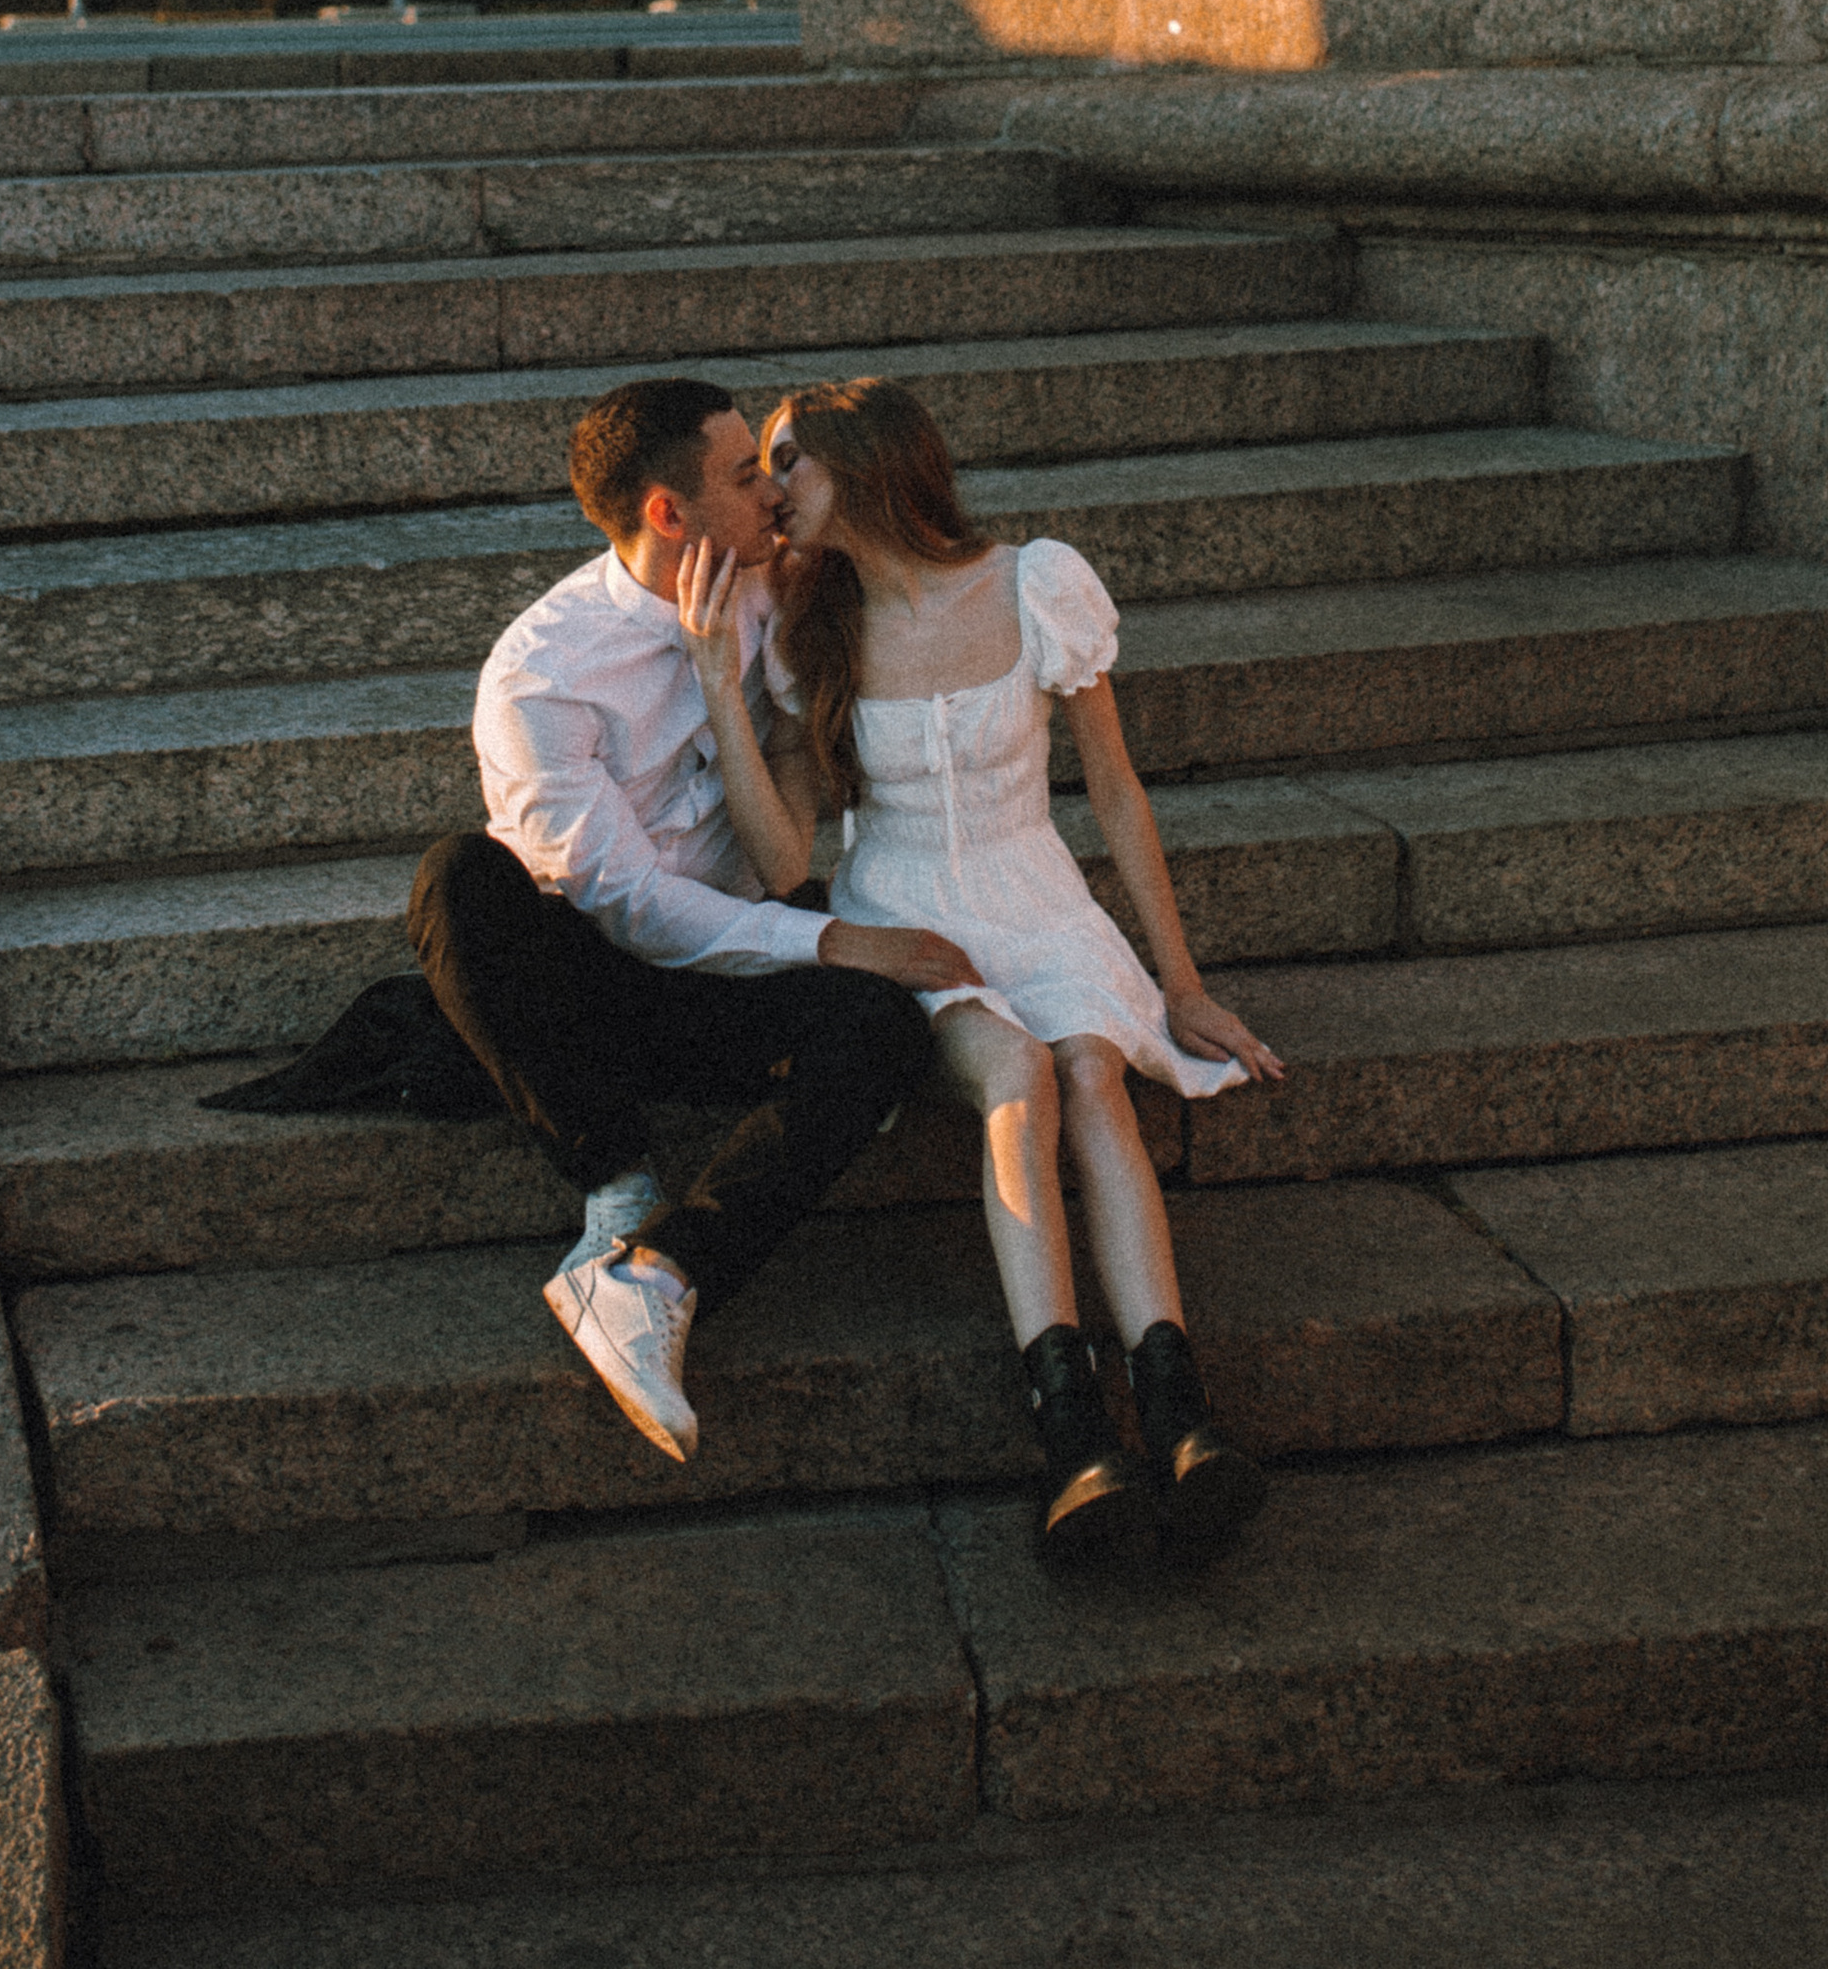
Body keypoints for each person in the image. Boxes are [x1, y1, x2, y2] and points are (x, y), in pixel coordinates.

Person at [678, 374, 1283, 1567]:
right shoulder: (808, 625)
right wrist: (715, 683)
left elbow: (1112, 788)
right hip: (905, 910)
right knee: (1018, 1073)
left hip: (1038, 895)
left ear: (862, 463)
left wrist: (1181, 982)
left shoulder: (1035, 582)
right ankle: (1070, 1438)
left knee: (1095, 1071)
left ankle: (1178, 1408)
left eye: (788, 461)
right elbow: (786, 851)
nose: (770, 490)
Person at [403, 376, 953, 1468]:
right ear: (668, 514)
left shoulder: (771, 587)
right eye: (746, 474)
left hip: (739, 968)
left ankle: (658, 1274)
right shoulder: (541, 672)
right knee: (457, 878)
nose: (772, 491)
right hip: (591, 983)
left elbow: (792, 848)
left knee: (885, 1030)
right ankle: (616, 1189)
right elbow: (630, 906)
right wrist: (835, 938)